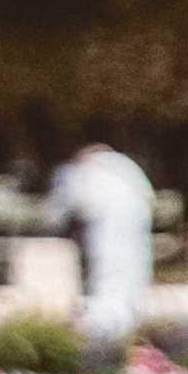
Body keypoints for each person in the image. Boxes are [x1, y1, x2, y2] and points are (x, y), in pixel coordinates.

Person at [47, 129, 156, 343]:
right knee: (130, 277)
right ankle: (121, 327)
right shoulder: (128, 171)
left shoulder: (85, 171)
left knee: (109, 275)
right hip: (134, 234)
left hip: (107, 233)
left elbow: (62, 210)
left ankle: (104, 329)